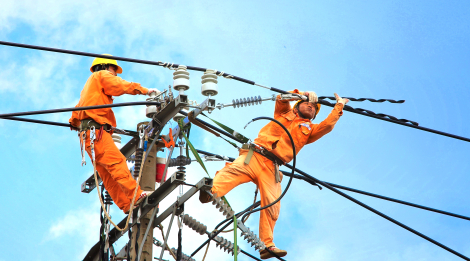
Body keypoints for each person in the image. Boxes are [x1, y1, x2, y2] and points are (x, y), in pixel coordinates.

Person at [200, 89, 348, 259]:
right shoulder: (283, 112)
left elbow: (328, 125)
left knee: (272, 206)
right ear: (297, 105)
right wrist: (302, 93)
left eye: (314, 108)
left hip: (273, 168)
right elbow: (281, 97)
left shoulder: (310, 131)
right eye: (308, 103)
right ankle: (210, 192)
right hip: (254, 156)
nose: (311, 107)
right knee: (232, 172)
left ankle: (267, 246)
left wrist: (339, 106)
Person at [69, 54, 158, 214]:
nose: (115, 73)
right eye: (114, 69)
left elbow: (77, 111)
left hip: (87, 138)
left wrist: (75, 122)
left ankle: (127, 205)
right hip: (97, 133)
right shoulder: (102, 75)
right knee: (117, 164)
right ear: (105, 66)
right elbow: (118, 85)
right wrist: (144, 90)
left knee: (107, 176)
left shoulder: (89, 87)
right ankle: (136, 197)